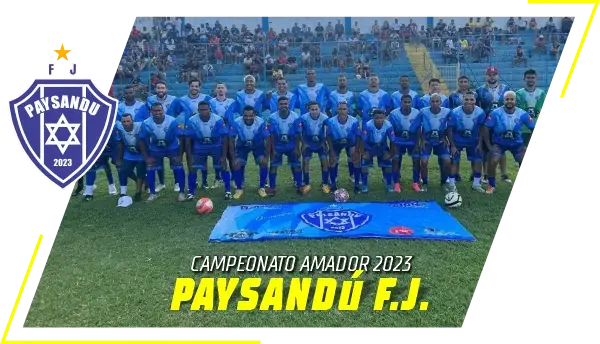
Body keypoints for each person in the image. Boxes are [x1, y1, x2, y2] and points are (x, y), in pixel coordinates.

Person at [483, 91, 535, 194]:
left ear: (515, 101)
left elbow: (534, 128)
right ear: (503, 100)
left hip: (516, 144)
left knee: (525, 159)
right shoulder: (495, 113)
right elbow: (485, 128)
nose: (509, 101)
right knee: (492, 160)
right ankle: (491, 185)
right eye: (507, 99)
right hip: (499, 143)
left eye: (512, 99)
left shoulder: (523, 114)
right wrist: (489, 145)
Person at [138, 103, 186, 203]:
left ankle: (181, 192)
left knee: (178, 166)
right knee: (150, 167)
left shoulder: (172, 121)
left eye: (159, 110)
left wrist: (179, 155)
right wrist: (146, 157)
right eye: (155, 111)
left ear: (163, 110)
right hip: (155, 149)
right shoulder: (146, 123)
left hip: (171, 148)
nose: (157, 112)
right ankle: (152, 194)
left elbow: (181, 137)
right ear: (150, 112)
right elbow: (141, 140)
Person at [184, 101, 232, 200]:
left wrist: (223, 156)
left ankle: (228, 191)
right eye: (201, 110)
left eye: (205, 109)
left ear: (210, 109)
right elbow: (187, 140)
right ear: (198, 110)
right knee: (193, 168)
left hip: (215, 146)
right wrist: (190, 156)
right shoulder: (192, 120)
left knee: (223, 166)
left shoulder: (218, 120)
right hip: (199, 147)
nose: (203, 111)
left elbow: (225, 138)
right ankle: (191, 192)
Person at [476, 66, 512, 184]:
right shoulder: (479, 90)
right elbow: (478, 109)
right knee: (486, 150)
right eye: (489, 74)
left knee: (501, 149)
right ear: (486, 76)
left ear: (498, 75)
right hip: (486, 124)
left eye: (494, 74)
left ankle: (504, 174)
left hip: (501, 124)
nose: (492, 77)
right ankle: (486, 174)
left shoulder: (506, 89)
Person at [413, 93, 454, 193]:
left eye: (437, 101)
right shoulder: (423, 112)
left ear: (441, 102)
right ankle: (425, 182)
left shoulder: (447, 112)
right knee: (424, 161)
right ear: (429, 102)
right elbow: (418, 127)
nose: (435, 103)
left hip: (440, 141)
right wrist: (421, 140)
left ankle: (444, 182)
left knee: (447, 161)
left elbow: (449, 128)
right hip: (427, 141)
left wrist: (447, 139)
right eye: (433, 101)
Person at [446, 91, 486, 193]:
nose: (469, 101)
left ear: (475, 101)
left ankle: (476, 184)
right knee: (454, 160)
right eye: (466, 99)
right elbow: (449, 130)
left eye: (471, 99)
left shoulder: (480, 112)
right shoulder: (455, 112)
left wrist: (480, 144)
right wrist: (452, 145)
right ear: (462, 100)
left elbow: (482, 129)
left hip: (473, 141)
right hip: (458, 140)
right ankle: (451, 184)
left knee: (477, 160)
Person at [229, 106, 270, 199]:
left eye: (250, 115)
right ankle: (239, 188)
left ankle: (262, 187)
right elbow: (231, 140)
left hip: (257, 145)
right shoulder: (236, 122)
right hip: (242, 145)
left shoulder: (260, 122)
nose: (248, 118)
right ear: (242, 115)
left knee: (263, 162)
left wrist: (267, 157)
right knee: (237, 163)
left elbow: (268, 139)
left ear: (254, 115)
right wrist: (233, 158)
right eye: (245, 116)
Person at [327, 74, 359, 184]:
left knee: (352, 154)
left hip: (349, 127)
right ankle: (333, 177)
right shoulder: (332, 95)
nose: (342, 82)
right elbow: (327, 108)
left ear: (347, 82)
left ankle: (352, 175)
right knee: (334, 156)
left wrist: (352, 116)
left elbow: (355, 107)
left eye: (343, 80)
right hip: (336, 127)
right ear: (337, 82)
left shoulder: (352, 95)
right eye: (340, 80)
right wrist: (332, 118)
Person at [267, 96, 302, 195]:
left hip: (291, 145)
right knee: (273, 165)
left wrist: (297, 148)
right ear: (278, 105)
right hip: (277, 145)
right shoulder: (272, 117)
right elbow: (271, 135)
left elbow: (297, 134)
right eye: (281, 104)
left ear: (289, 104)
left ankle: (299, 185)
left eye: (285, 104)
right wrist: (273, 149)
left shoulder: (295, 116)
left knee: (296, 164)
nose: (283, 106)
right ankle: (272, 187)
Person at [325, 101, 361, 192]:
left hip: (350, 142)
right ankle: (333, 184)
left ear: (348, 110)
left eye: (344, 109)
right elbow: (328, 136)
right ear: (337, 110)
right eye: (340, 109)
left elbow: (358, 136)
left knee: (356, 160)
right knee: (332, 160)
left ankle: (356, 184)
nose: (342, 111)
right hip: (336, 143)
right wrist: (331, 150)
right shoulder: (331, 121)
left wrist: (357, 150)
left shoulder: (354, 121)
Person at [389, 94, 422, 193]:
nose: (407, 104)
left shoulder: (417, 113)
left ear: (411, 103)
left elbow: (418, 130)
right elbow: (392, 132)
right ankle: (396, 183)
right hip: (398, 140)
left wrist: (417, 145)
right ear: (401, 102)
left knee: (416, 159)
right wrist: (393, 145)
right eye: (405, 102)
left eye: (409, 102)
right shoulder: (394, 114)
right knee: (395, 159)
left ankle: (415, 182)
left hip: (412, 140)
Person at [359, 109, 396, 193]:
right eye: (377, 118)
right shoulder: (368, 125)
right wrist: (363, 153)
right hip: (369, 146)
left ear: (384, 118)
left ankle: (389, 183)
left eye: (381, 118)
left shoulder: (388, 125)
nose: (379, 120)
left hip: (382, 146)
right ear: (373, 117)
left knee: (388, 162)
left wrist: (391, 153)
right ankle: (364, 184)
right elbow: (362, 140)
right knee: (364, 162)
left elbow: (392, 140)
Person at [297, 101, 331, 194]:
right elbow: (299, 132)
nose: (315, 111)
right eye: (312, 109)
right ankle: (307, 184)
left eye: (316, 109)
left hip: (320, 143)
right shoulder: (303, 118)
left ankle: (325, 184)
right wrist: (304, 143)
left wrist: (325, 143)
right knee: (306, 161)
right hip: (308, 143)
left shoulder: (325, 118)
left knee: (324, 160)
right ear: (309, 110)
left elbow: (328, 133)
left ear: (319, 109)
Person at [209, 82, 237, 188]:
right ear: (216, 90)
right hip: (216, 133)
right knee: (218, 156)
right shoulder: (211, 102)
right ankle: (217, 178)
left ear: (226, 90)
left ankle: (233, 179)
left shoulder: (232, 102)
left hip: (229, 132)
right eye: (218, 88)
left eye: (222, 88)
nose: (220, 89)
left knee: (231, 155)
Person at [82, 125, 120, 201]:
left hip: (112, 148)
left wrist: (116, 158)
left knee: (118, 166)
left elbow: (116, 143)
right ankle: (89, 193)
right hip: (98, 150)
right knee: (91, 166)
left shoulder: (112, 128)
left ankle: (118, 189)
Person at [115, 113, 146, 201]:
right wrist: (119, 159)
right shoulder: (119, 127)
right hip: (129, 152)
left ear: (133, 121)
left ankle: (138, 192)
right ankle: (138, 180)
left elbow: (145, 140)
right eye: (123, 121)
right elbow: (120, 143)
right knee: (124, 170)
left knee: (140, 170)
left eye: (128, 121)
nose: (126, 123)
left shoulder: (140, 126)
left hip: (141, 153)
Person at [515, 69, 546, 148]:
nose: (530, 79)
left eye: (532, 77)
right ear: (524, 79)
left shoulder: (542, 94)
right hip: (523, 129)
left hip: (537, 128)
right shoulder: (518, 94)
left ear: (536, 79)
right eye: (528, 78)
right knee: (523, 154)